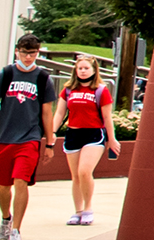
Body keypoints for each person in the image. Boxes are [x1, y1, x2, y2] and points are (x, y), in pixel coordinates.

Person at [0, 35, 59, 240]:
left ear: (38, 53)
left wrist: (49, 142)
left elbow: (47, 113)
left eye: (32, 53)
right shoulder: (5, 74)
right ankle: (6, 219)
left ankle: (16, 230)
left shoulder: (43, 78)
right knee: (4, 185)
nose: (28, 57)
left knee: (21, 180)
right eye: (24, 53)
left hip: (29, 138)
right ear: (17, 51)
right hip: (4, 137)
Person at [57, 55, 117, 226]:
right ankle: (78, 211)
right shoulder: (68, 90)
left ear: (93, 70)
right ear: (75, 71)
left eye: (86, 68)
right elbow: (60, 113)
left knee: (84, 171)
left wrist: (111, 139)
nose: (83, 71)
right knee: (76, 176)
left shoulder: (100, 90)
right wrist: (51, 132)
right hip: (73, 134)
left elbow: (107, 117)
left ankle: (88, 208)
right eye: (80, 68)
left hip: (93, 135)